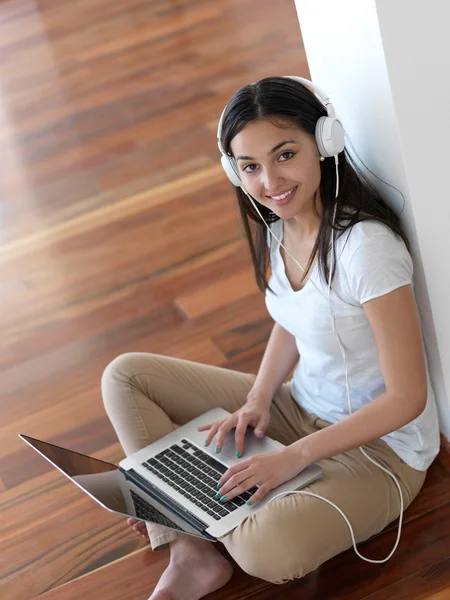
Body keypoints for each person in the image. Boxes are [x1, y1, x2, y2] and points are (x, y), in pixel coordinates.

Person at [101, 76, 440, 600]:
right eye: (251, 167)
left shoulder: (366, 249)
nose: (270, 181)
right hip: (297, 407)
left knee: (269, 550)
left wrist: (293, 458)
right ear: (233, 173)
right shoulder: (281, 227)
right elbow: (293, 317)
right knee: (125, 376)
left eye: (285, 154)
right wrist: (259, 399)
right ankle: (192, 547)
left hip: (380, 452)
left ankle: (176, 507)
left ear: (325, 143)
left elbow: (408, 398)